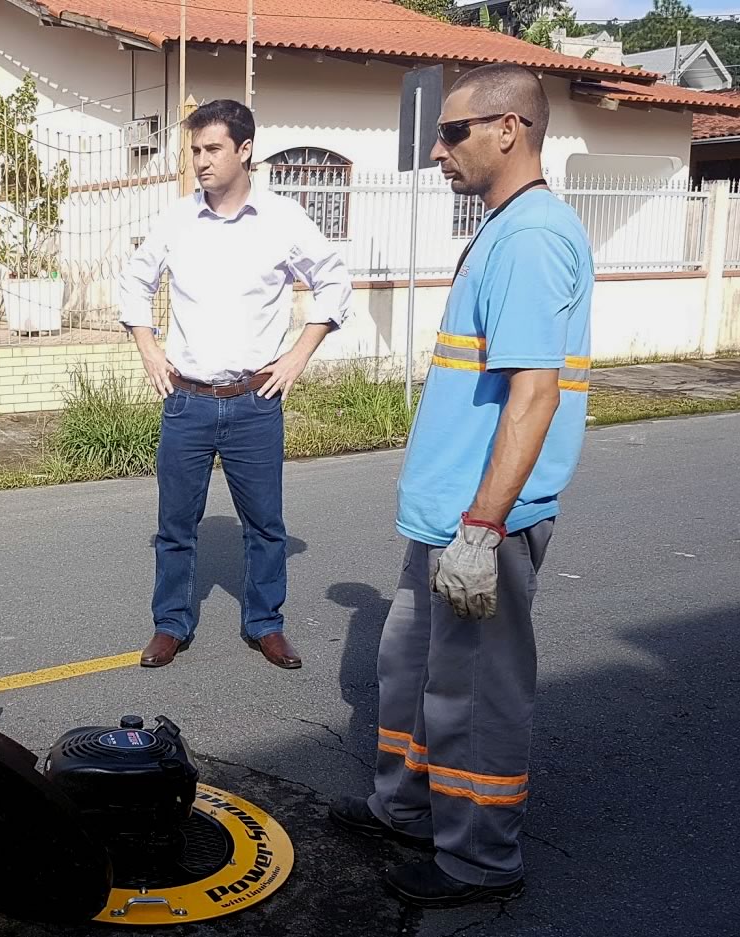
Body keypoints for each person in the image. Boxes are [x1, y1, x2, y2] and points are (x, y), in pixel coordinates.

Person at [327, 63, 594, 909]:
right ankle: (405, 808)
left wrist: (482, 530)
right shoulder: (502, 227)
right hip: (445, 514)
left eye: (452, 133)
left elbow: (533, 394)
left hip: (484, 521)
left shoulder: (530, 237)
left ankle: (479, 858)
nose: (436, 150)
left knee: (474, 692)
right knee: (409, 671)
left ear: (509, 129)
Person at [119, 100, 353, 670]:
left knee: (266, 527)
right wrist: (149, 348)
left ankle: (265, 624)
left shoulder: (282, 219)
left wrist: (298, 355)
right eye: (194, 150)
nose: (200, 161)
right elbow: (134, 280)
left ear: (244, 150)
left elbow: (333, 278)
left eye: (212, 149)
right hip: (187, 401)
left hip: (254, 402)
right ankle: (171, 625)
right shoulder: (177, 219)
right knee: (174, 527)